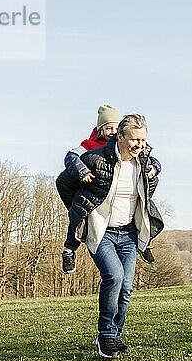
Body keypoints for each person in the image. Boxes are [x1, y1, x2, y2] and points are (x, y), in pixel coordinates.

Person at [58, 114, 164, 358]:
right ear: (120, 137)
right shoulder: (96, 159)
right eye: (134, 139)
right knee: (114, 277)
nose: (139, 145)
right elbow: (63, 182)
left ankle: (115, 334)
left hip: (128, 232)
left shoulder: (143, 163)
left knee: (126, 286)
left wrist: (154, 172)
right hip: (102, 231)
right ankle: (105, 334)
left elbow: (150, 185)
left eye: (143, 140)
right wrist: (79, 210)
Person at [56, 105, 161, 273]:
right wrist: (81, 170)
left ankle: (144, 244)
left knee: (143, 212)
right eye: (108, 128)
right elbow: (71, 156)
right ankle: (69, 249)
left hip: (123, 214)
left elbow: (151, 160)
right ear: (100, 130)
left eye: (115, 127)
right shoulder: (90, 146)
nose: (112, 132)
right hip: (93, 197)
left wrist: (154, 168)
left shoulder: (127, 147)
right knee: (77, 213)